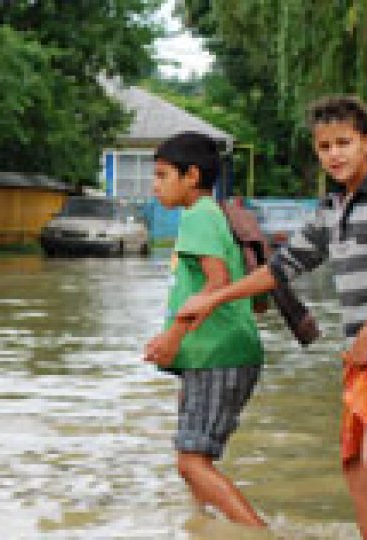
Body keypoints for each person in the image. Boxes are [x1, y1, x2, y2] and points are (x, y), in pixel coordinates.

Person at [177, 95, 367, 540]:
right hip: (361, 357)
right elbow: (280, 268)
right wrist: (216, 298)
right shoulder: (331, 210)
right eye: (324, 147)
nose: (335, 155)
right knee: (355, 466)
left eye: (344, 143)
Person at [143, 131, 267, 527]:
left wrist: (173, 337)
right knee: (195, 461)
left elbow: (216, 283)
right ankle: (208, 530)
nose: (155, 185)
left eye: (163, 175)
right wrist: (171, 339)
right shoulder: (207, 215)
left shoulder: (199, 215)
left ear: (191, 176)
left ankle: (261, 534)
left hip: (220, 355)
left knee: (191, 462)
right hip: (214, 356)